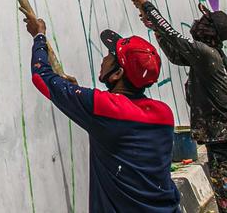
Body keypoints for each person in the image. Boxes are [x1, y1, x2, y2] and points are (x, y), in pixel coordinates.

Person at [27, 17, 180, 212]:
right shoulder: (164, 114)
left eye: (110, 55)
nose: (104, 58)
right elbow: (115, 113)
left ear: (117, 74)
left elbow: (42, 77)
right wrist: (80, 97)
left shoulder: (104, 109)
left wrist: (39, 36)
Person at [130, 0, 227, 213]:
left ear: (209, 30)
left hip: (225, 146)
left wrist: (148, 7)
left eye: (203, 22)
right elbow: (176, 55)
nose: (197, 23)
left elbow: (175, 37)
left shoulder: (206, 54)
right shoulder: (208, 55)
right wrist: (154, 27)